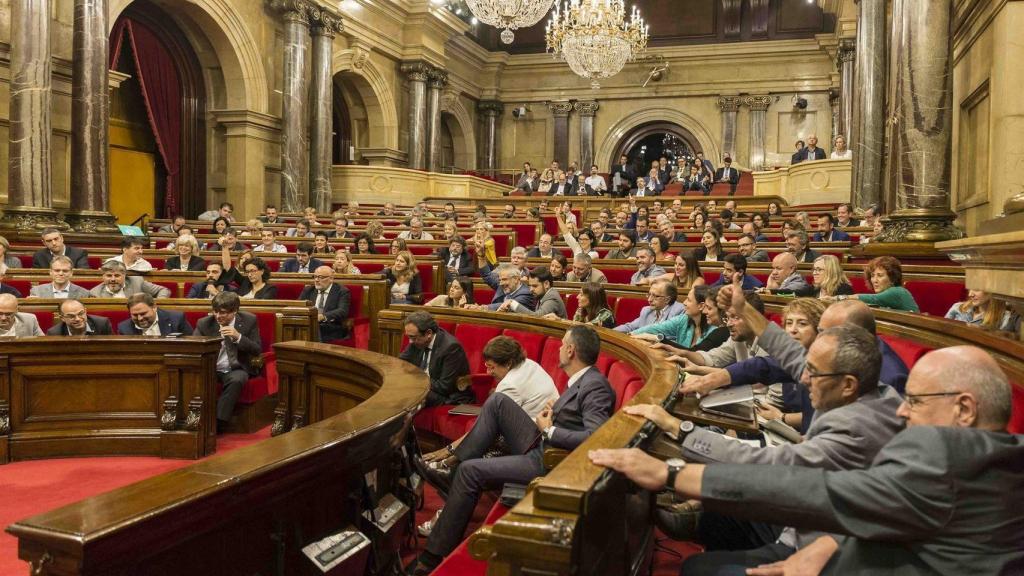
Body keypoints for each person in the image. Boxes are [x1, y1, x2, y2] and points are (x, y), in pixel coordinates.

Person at [591, 345, 1023, 576]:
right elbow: (893, 507)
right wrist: (833, 546)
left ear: (964, 409)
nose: (903, 411)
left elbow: (816, 487)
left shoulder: (943, 454)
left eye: (916, 400)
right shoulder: (1000, 460)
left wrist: (670, 473)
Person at [409, 325, 615, 575]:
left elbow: (595, 437)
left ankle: (431, 558)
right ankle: (453, 467)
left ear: (571, 351)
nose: (559, 348)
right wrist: (554, 411)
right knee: (497, 402)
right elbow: (575, 418)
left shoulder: (596, 386)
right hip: (542, 440)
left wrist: (550, 430)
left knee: (469, 471)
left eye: (562, 344)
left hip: (550, 459)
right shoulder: (582, 380)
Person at [196, 291, 262, 431]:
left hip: (236, 367)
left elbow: (256, 349)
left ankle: (217, 423)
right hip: (211, 367)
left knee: (237, 380)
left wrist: (238, 337)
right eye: (215, 312)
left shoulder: (249, 320)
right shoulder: (204, 323)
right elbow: (194, 348)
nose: (218, 316)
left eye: (223, 313)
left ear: (235, 311)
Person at [400, 311, 473, 407]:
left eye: (413, 337)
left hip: (448, 397)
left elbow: (445, 386)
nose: (410, 341)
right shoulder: (416, 342)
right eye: (409, 337)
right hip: (427, 388)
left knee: (409, 391)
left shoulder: (450, 348)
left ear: (428, 333)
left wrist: (417, 380)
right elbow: (401, 363)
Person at [632, 285, 726, 354]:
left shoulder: (716, 330)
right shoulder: (684, 319)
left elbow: (695, 354)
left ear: (701, 306)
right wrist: (631, 335)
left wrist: (659, 339)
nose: (684, 303)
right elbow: (655, 328)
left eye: (688, 300)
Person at [839, 256, 920, 312]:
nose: (874, 280)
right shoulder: (885, 293)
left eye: (880, 275)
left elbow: (873, 299)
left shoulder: (897, 291)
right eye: (872, 276)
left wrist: (839, 298)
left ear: (892, 278)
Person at [299, 266, 351, 342]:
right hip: (309, 325)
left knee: (315, 328)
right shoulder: (308, 290)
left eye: (321, 277)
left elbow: (342, 311)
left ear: (331, 278)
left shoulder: (341, 291)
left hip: (331, 327)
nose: (316, 280)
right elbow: (298, 306)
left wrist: (323, 316)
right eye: (315, 277)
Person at [614, 279, 686, 333]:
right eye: (649, 294)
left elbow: (671, 337)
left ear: (667, 299)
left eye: (655, 296)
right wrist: (609, 332)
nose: (649, 299)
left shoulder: (678, 310)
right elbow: (630, 327)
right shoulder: (647, 311)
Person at [497, 266, 566, 318]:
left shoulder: (552, 297)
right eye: (530, 286)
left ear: (546, 284)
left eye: (535, 286)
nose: (531, 289)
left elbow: (537, 317)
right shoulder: (542, 295)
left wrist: (512, 303)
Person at [116, 293, 193, 336]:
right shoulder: (124, 328)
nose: (140, 318)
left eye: (143, 313)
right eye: (135, 315)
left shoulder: (176, 319)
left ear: (154, 307)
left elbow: (192, 345)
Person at [90, 261, 170, 298]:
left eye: (117, 275)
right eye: (109, 275)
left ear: (124, 275)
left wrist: (154, 304)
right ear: (103, 277)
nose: (113, 279)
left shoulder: (137, 282)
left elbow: (163, 290)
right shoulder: (95, 293)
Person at [945, 290, 1013, 331]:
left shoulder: (1005, 318)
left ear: (992, 291)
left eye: (976, 289)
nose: (970, 294)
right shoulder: (958, 307)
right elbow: (943, 332)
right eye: (970, 289)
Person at [46, 299, 114, 336]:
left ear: (85, 311)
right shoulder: (54, 333)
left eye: (81, 314)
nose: (77, 319)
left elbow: (113, 348)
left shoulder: (102, 324)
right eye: (71, 316)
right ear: (62, 318)